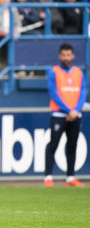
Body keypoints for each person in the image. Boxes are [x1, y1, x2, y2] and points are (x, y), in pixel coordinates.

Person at [44, 43, 86, 187]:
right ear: (59, 56)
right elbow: (54, 94)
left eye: (69, 55)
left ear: (72, 56)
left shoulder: (79, 73)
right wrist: (69, 111)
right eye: (64, 55)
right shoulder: (53, 72)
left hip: (75, 115)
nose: (66, 58)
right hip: (59, 114)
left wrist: (76, 111)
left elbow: (82, 93)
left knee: (72, 146)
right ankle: (48, 177)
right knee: (53, 144)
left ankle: (70, 177)